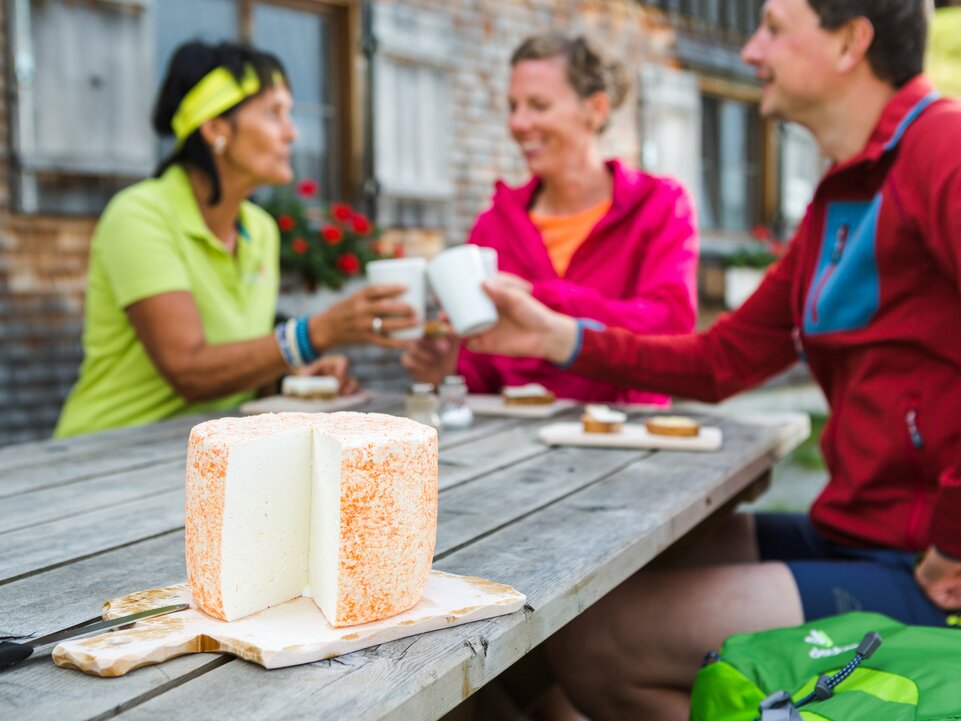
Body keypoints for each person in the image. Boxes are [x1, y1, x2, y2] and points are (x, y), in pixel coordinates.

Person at [465, 1, 961, 719]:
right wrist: (556, 337)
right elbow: (722, 359)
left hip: (923, 561)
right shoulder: (840, 194)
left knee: (601, 642)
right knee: (579, 585)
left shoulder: (939, 147)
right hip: (856, 528)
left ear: (851, 41)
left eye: (773, 27)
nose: (751, 50)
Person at [56, 42, 416, 438]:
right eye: (273, 113)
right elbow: (189, 372)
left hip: (208, 452)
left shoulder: (259, 229)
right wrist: (315, 333)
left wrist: (292, 375)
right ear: (215, 129)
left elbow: (232, 364)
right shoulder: (140, 215)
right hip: (108, 452)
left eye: (289, 114)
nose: (292, 133)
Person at [402, 33, 698, 405]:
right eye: (513, 106)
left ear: (596, 110)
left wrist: (541, 301)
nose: (519, 122)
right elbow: (485, 368)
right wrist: (446, 369)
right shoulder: (494, 225)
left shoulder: (659, 205)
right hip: (515, 446)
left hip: (627, 440)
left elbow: (670, 327)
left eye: (539, 105)